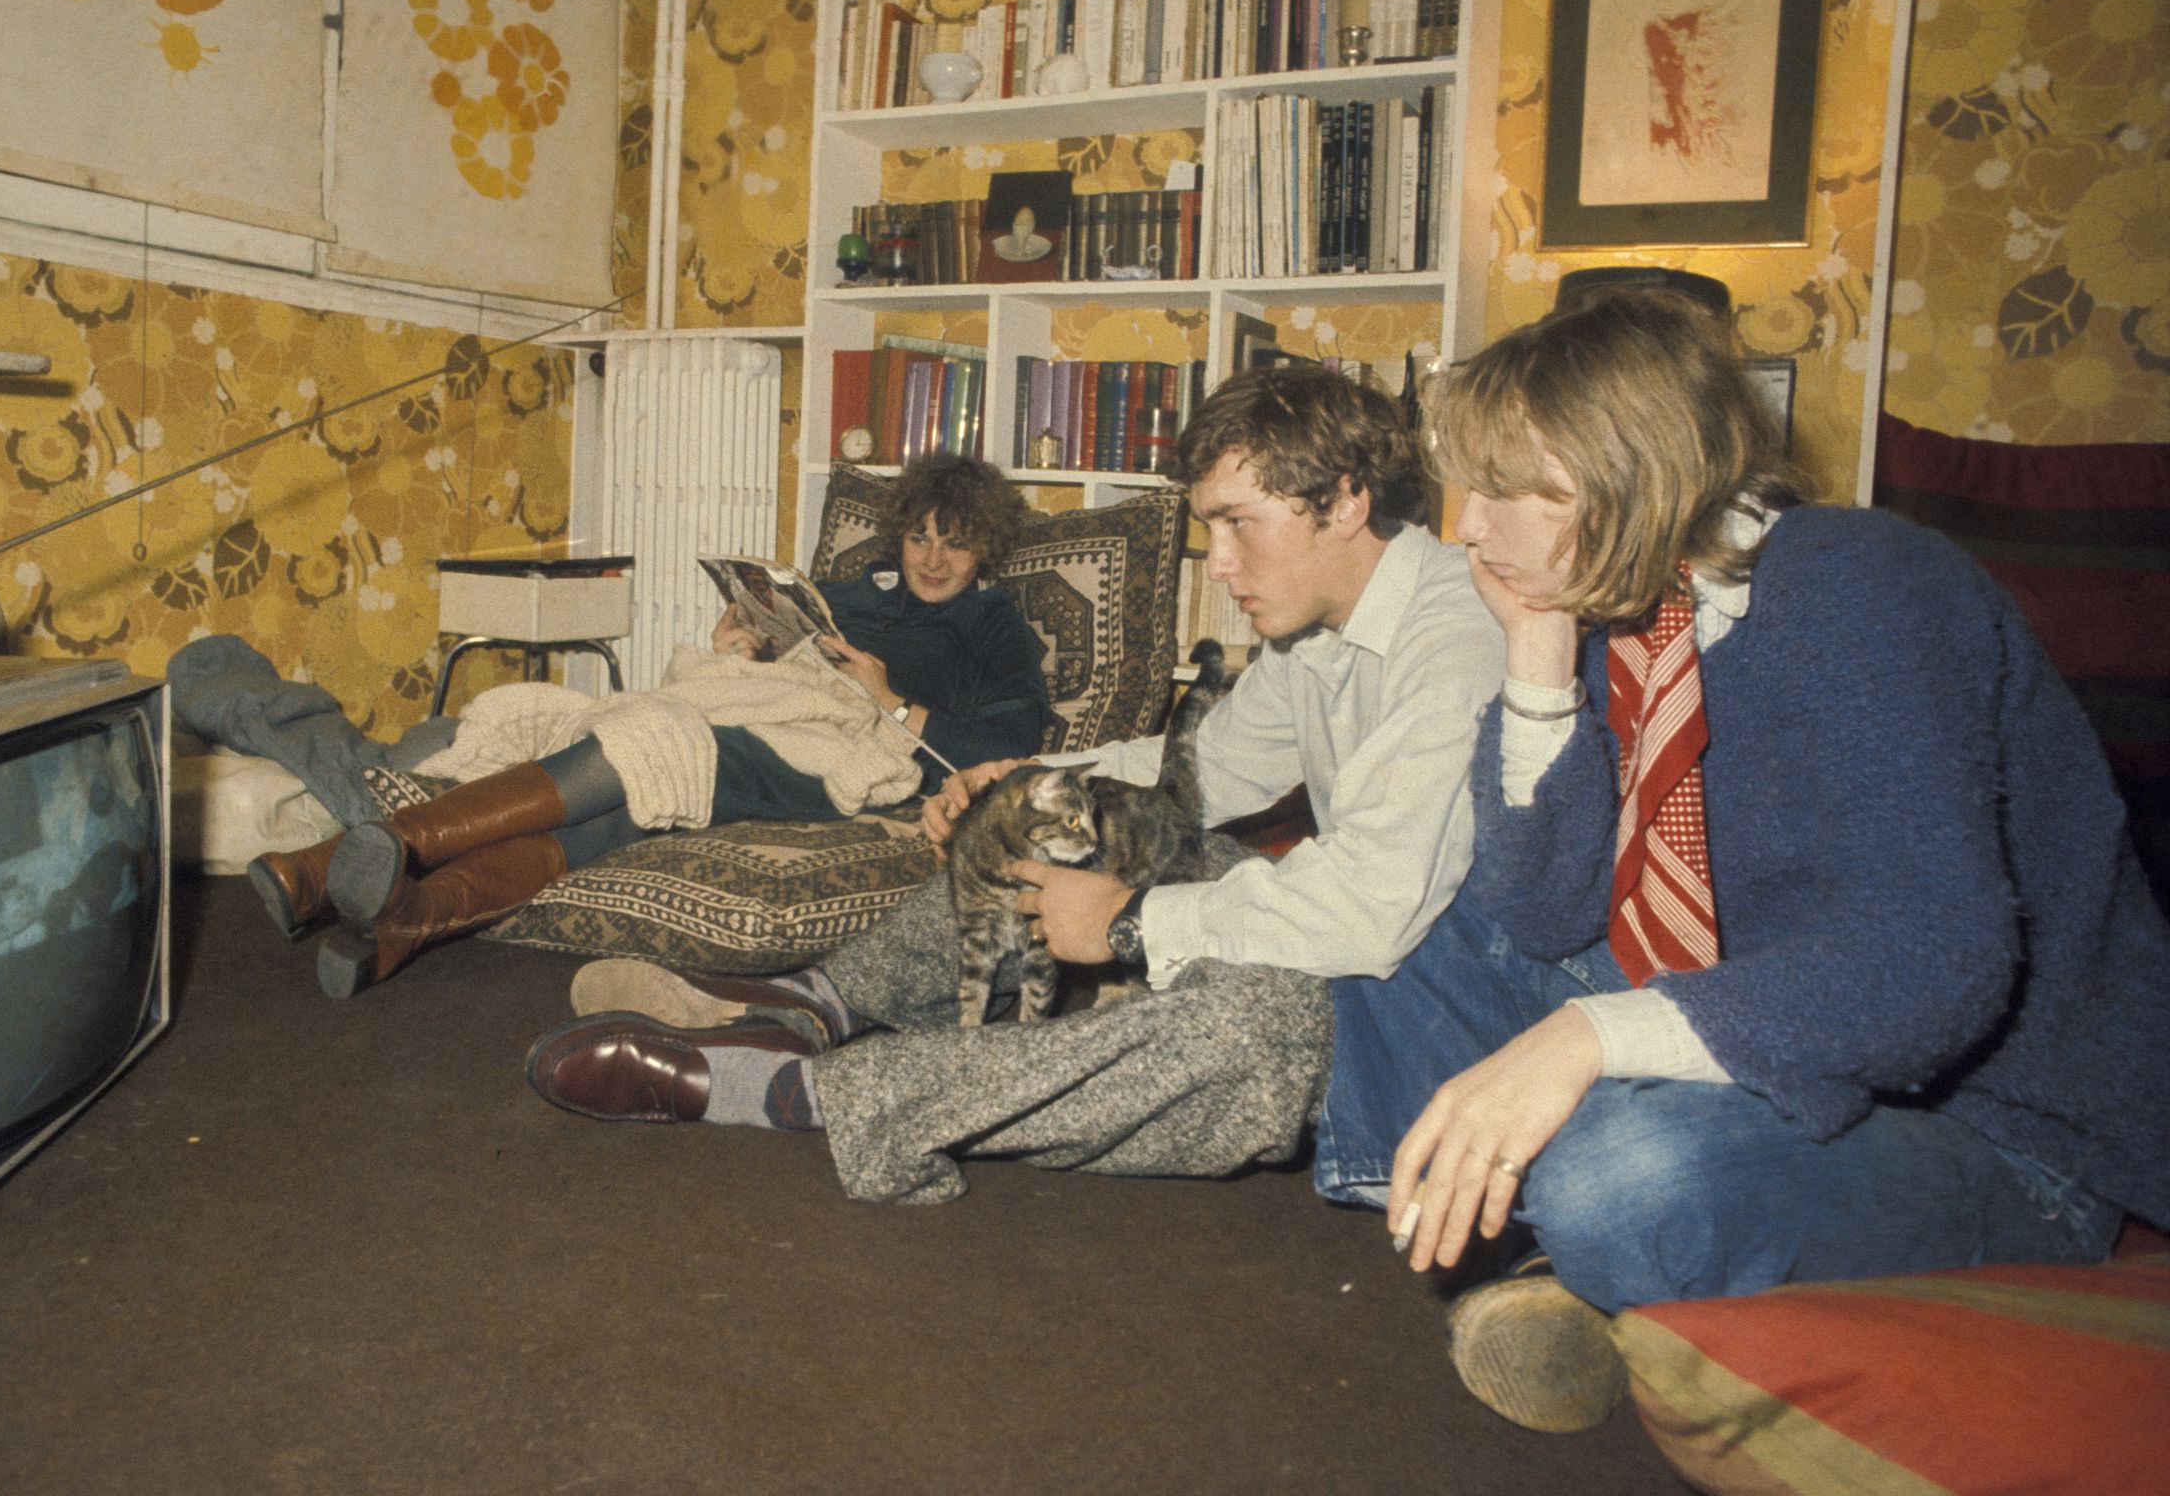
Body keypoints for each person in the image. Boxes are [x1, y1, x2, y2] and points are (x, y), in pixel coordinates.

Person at [1319, 287, 2170, 1433]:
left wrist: (1586, 1038)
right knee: (1391, 921)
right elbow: (1540, 909)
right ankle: (1498, 1235)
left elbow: (1934, 967)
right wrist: (1533, 657)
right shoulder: (1621, 607)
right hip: (1765, 1011)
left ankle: (1556, 1256)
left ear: (1636, 470)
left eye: (1510, 489)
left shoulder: (1864, 583)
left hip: (1998, 1120)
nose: (1469, 525)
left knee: (1620, 1178)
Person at [524, 366, 1507, 1204]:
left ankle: (799, 1093)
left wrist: (1131, 920)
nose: (1225, 569)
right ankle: (815, 998)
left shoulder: (1452, 635)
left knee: (1252, 1027)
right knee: (1055, 811)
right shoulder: (1321, 626)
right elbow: (1199, 776)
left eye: (1241, 527)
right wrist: (1020, 778)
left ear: (1344, 501)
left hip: (1421, 1011)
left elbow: (1378, 906)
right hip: (1346, 933)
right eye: (1214, 532)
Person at [247, 452, 1050, 996]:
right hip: (769, 713)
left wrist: (891, 700)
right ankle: (406, 925)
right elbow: (782, 646)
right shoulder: (851, 588)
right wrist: (735, 646)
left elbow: (1008, 747)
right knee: (628, 809)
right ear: (901, 533)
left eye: (956, 544)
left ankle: (339, 863)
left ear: (987, 548)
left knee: (648, 744)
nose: (934, 560)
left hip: (840, 751)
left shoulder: (992, 627)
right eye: (920, 538)